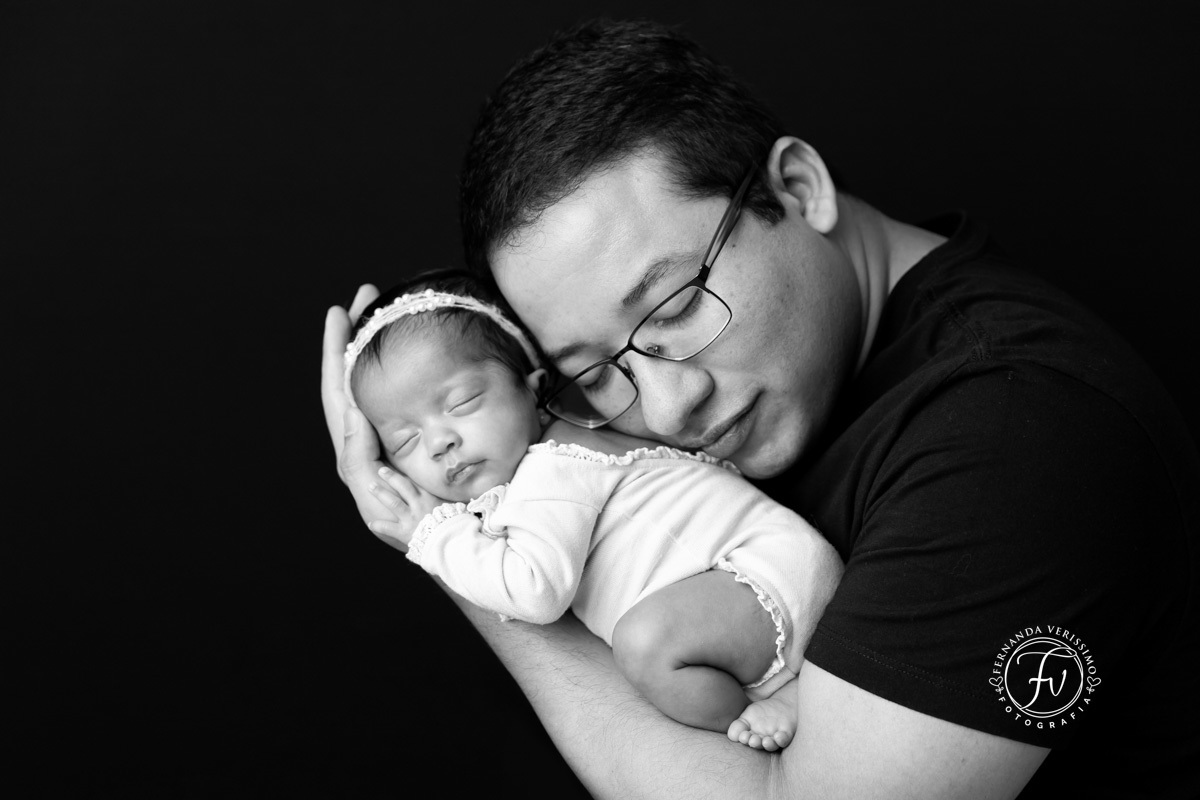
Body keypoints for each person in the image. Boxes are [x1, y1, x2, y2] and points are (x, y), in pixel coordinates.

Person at [321, 18, 1200, 799]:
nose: (668, 404)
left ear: (799, 187)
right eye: (594, 371)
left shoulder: (1018, 434)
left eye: (675, 309)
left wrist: (451, 548)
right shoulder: (791, 379)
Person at [342, 268, 843, 751]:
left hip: (765, 572)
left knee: (644, 645)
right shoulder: (530, 476)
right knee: (647, 647)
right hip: (753, 587)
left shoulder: (554, 468)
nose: (439, 442)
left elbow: (534, 593)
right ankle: (782, 696)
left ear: (532, 388)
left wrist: (432, 535)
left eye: (461, 402)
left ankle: (775, 701)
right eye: (405, 441)